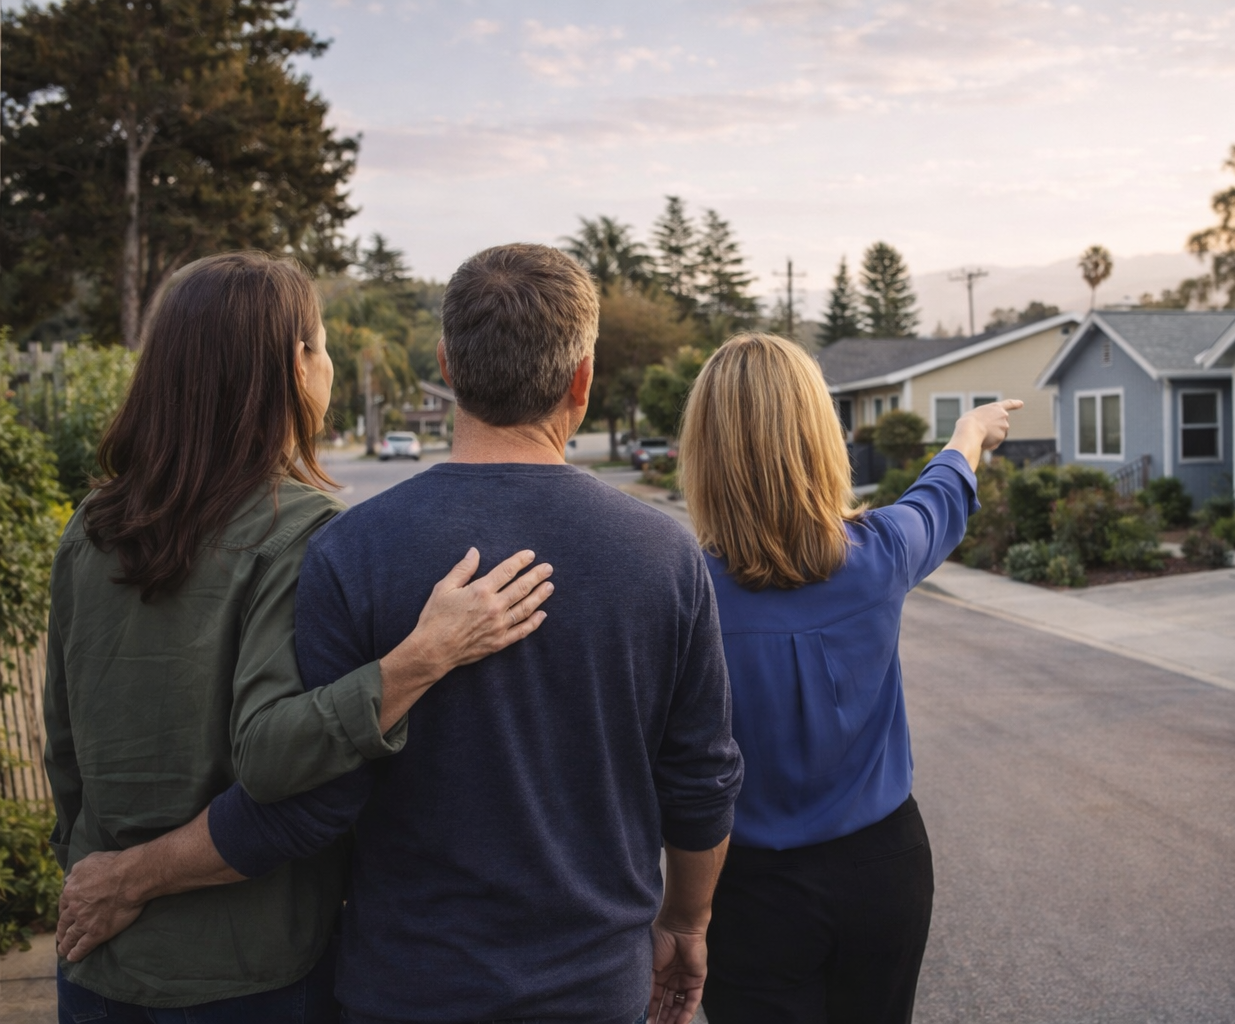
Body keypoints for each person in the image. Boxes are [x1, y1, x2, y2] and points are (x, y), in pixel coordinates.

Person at [55, 243, 744, 1024]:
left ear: (445, 365)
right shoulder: (663, 553)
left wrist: (114, 871)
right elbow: (700, 780)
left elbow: (309, 802)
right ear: (582, 378)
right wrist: (685, 924)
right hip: (586, 984)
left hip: (401, 983)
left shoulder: (350, 547)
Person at [679, 333, 1021, 1024]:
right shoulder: (881, 554)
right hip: (884, 873)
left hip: (748, 890)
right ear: (819, 439)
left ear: (705, 451)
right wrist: (968, 432)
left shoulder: (682, 596)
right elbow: (942, 493)